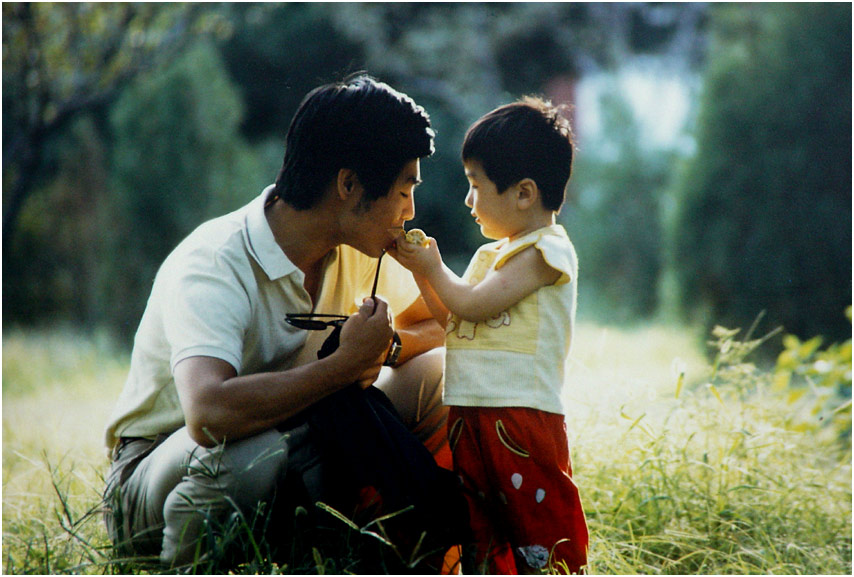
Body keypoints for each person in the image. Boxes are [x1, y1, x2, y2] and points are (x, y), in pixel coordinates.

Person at [102, 75, 458, 571]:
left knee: (445, 374)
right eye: (402, 191)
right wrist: (343, 366)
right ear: (348, 185)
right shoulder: (215, 260)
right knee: (249, 453)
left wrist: (391, 346)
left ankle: (411, 551)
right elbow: (207, 415)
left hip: (292, 444)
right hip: (158, 473)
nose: (410, 211)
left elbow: (452, 322)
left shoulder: (355, 247)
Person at [390, 96, 589, 574]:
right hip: (475, 410)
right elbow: (453, 319)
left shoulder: (544, 254)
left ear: (523, 193)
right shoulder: (493, 256)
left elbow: (473, 304)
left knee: (534, 517)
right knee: (482, 518)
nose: (467, 200)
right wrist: (423, 274)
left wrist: (434, 267)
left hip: (520, 413)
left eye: (475, 186)